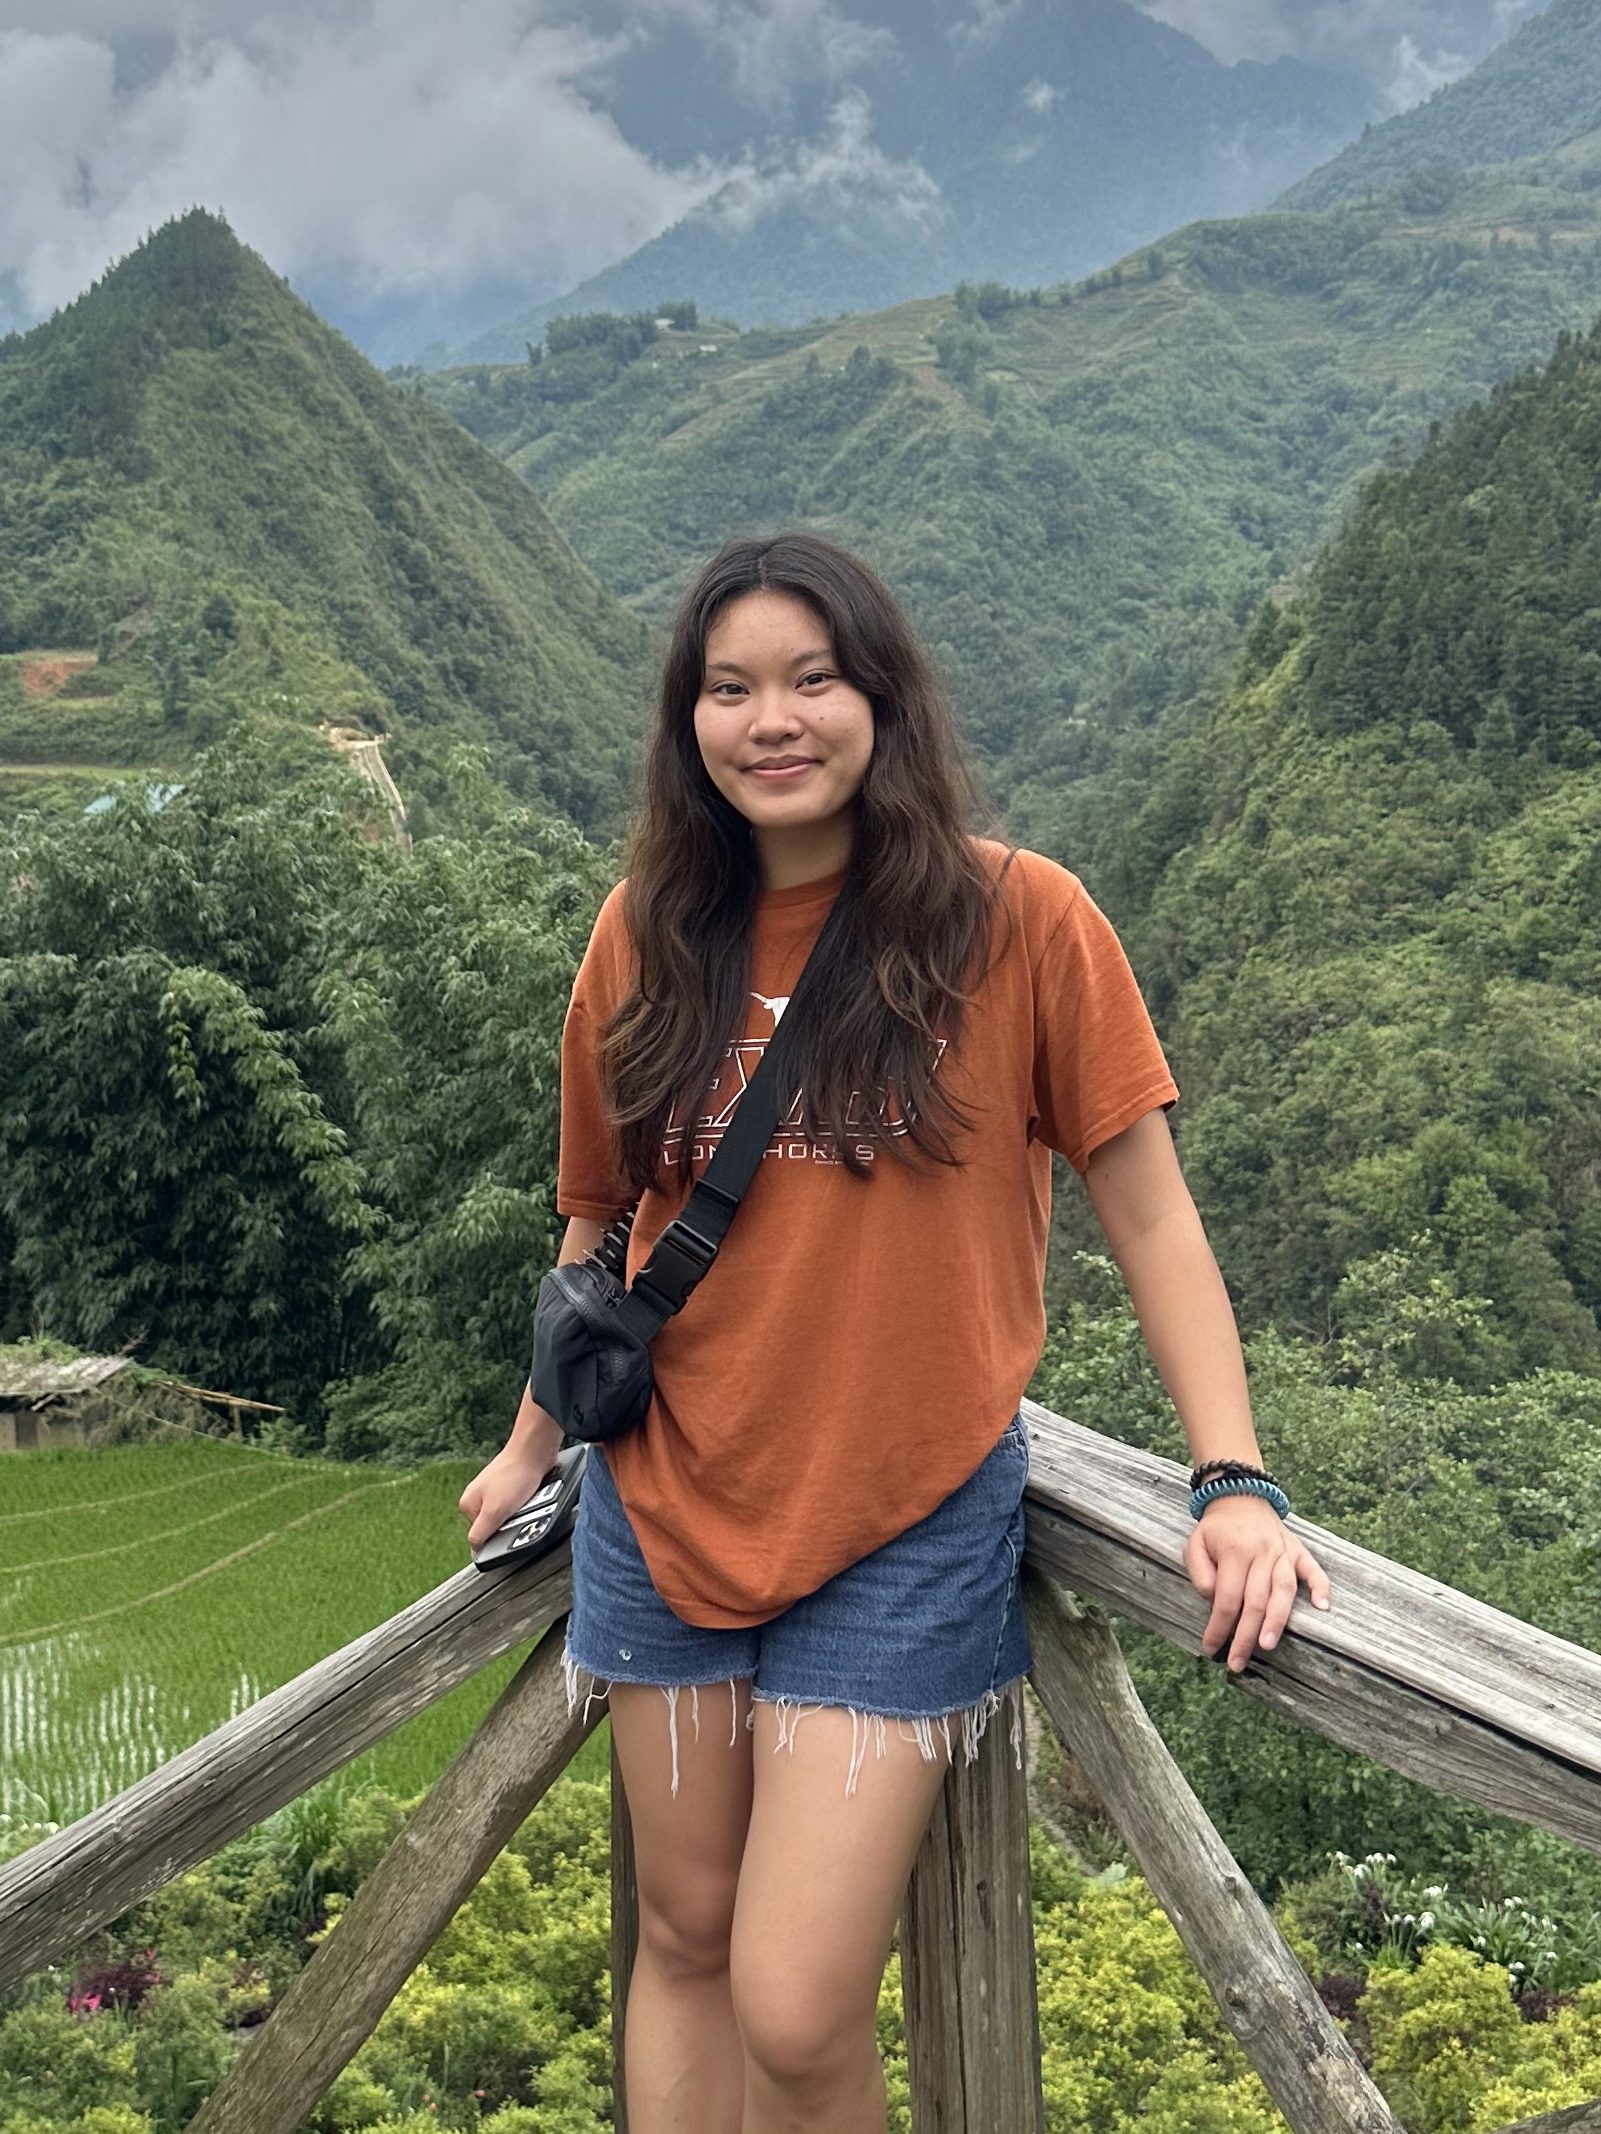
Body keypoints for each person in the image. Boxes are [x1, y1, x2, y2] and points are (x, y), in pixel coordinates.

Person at [460, 530, 1332, 2134]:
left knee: (796, 2004)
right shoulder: (644, 928)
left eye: (811, 679)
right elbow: (599, 1221)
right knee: (680, 1933)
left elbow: (1152, 1220)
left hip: (903, 1519)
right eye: (729, 688)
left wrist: (1231, 1477)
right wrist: (530, 1445)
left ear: (881, 698)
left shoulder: (1020, 920)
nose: (771, 721)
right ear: (687, 721)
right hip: (660, 1498)